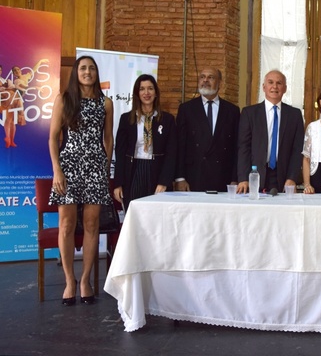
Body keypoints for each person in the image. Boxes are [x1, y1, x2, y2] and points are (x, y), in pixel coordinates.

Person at [48, 55, 114, 306]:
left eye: (92, 68)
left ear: (97, 73)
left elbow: (108, 140)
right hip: (68, 167)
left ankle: (85, 280)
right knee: (66, 224)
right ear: (76, 72)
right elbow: (53, 138)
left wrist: (104, 169)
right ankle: (69, 281)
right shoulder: (64, 100)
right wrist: (57, 170)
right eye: (83, 68)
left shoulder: (105, 103)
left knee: (92, 225)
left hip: (95, 168)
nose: (88, 72)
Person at [113, 74, 177, 211]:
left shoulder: (167, 119)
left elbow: (172, 154)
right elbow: (120, 152)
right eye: (142, 89)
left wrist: (164, 181)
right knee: (136, 214)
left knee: (157, 214)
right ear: (137, 93)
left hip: (157, 171)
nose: (146, 93)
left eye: (150, 89)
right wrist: (118, 183)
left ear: (156, 93)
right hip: (134, 170)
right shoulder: (126, 119)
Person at [237, 69, 304, 193]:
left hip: (283, 177)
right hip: (255, 174)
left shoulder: (294, 115)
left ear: (284, 88)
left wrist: (292, 177)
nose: (274, 86)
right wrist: (243, 178)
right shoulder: (249, 113)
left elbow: (297, 149)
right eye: (270, 82)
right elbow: (243, 147)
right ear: (263, 87)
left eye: (279, 83)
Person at [175, 68, 239, 192]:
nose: (205, 80)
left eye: (211, 77)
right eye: (202, 77)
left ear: (220, 83)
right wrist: (180, 178)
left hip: (223, 178)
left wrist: (235, 178)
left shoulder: (232, 111)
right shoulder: (186, 109)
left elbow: (237, 147)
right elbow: (180, 145)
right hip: (193, 177)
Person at [0, 64, 20, 148]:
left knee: (12, 121)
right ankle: (8, 138)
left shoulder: (3, 79)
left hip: (11, 101)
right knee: (9, 119)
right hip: (4, 101)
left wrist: (10, 87)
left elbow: (12, 87)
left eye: (0, 70)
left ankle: (11, 140)